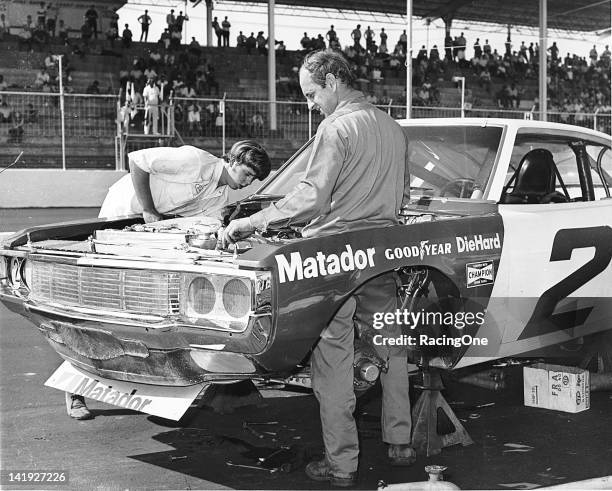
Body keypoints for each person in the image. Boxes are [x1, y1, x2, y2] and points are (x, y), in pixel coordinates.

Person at [222, 49, 413, 487]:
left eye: (311, 94)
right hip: (382, 251)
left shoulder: (336, 127)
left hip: (339, 258)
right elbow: (400, 196)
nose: (310, 104)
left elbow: (311, 198)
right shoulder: (392, 127)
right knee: (392, 347)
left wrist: (249, 223)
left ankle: (342, 465)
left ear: (331, 82)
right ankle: (400, 442)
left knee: (333, 361)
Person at [99, 140, 271, 222]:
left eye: (253, 179)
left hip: (142, 222)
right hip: (122, 207)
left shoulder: (220, 199)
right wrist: (149, 209)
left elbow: (210, 226)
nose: (248, 182)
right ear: (233, 161)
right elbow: (137, 161)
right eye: (247, 174)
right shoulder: (196, 160)